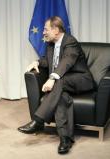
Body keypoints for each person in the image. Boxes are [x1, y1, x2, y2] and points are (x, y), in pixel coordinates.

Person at [18, 16, 94, 154]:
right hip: (64, 85)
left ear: (56, 30)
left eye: (46, 29)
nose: (43, 32)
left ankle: (38, 120)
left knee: (60, 81)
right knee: (62, 98)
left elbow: (67, 62)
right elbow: (47, 62)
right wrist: (37, 62)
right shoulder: (51, 45)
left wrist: (53, 78)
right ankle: (65, 139)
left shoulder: (70, 42)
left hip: (81, 80)